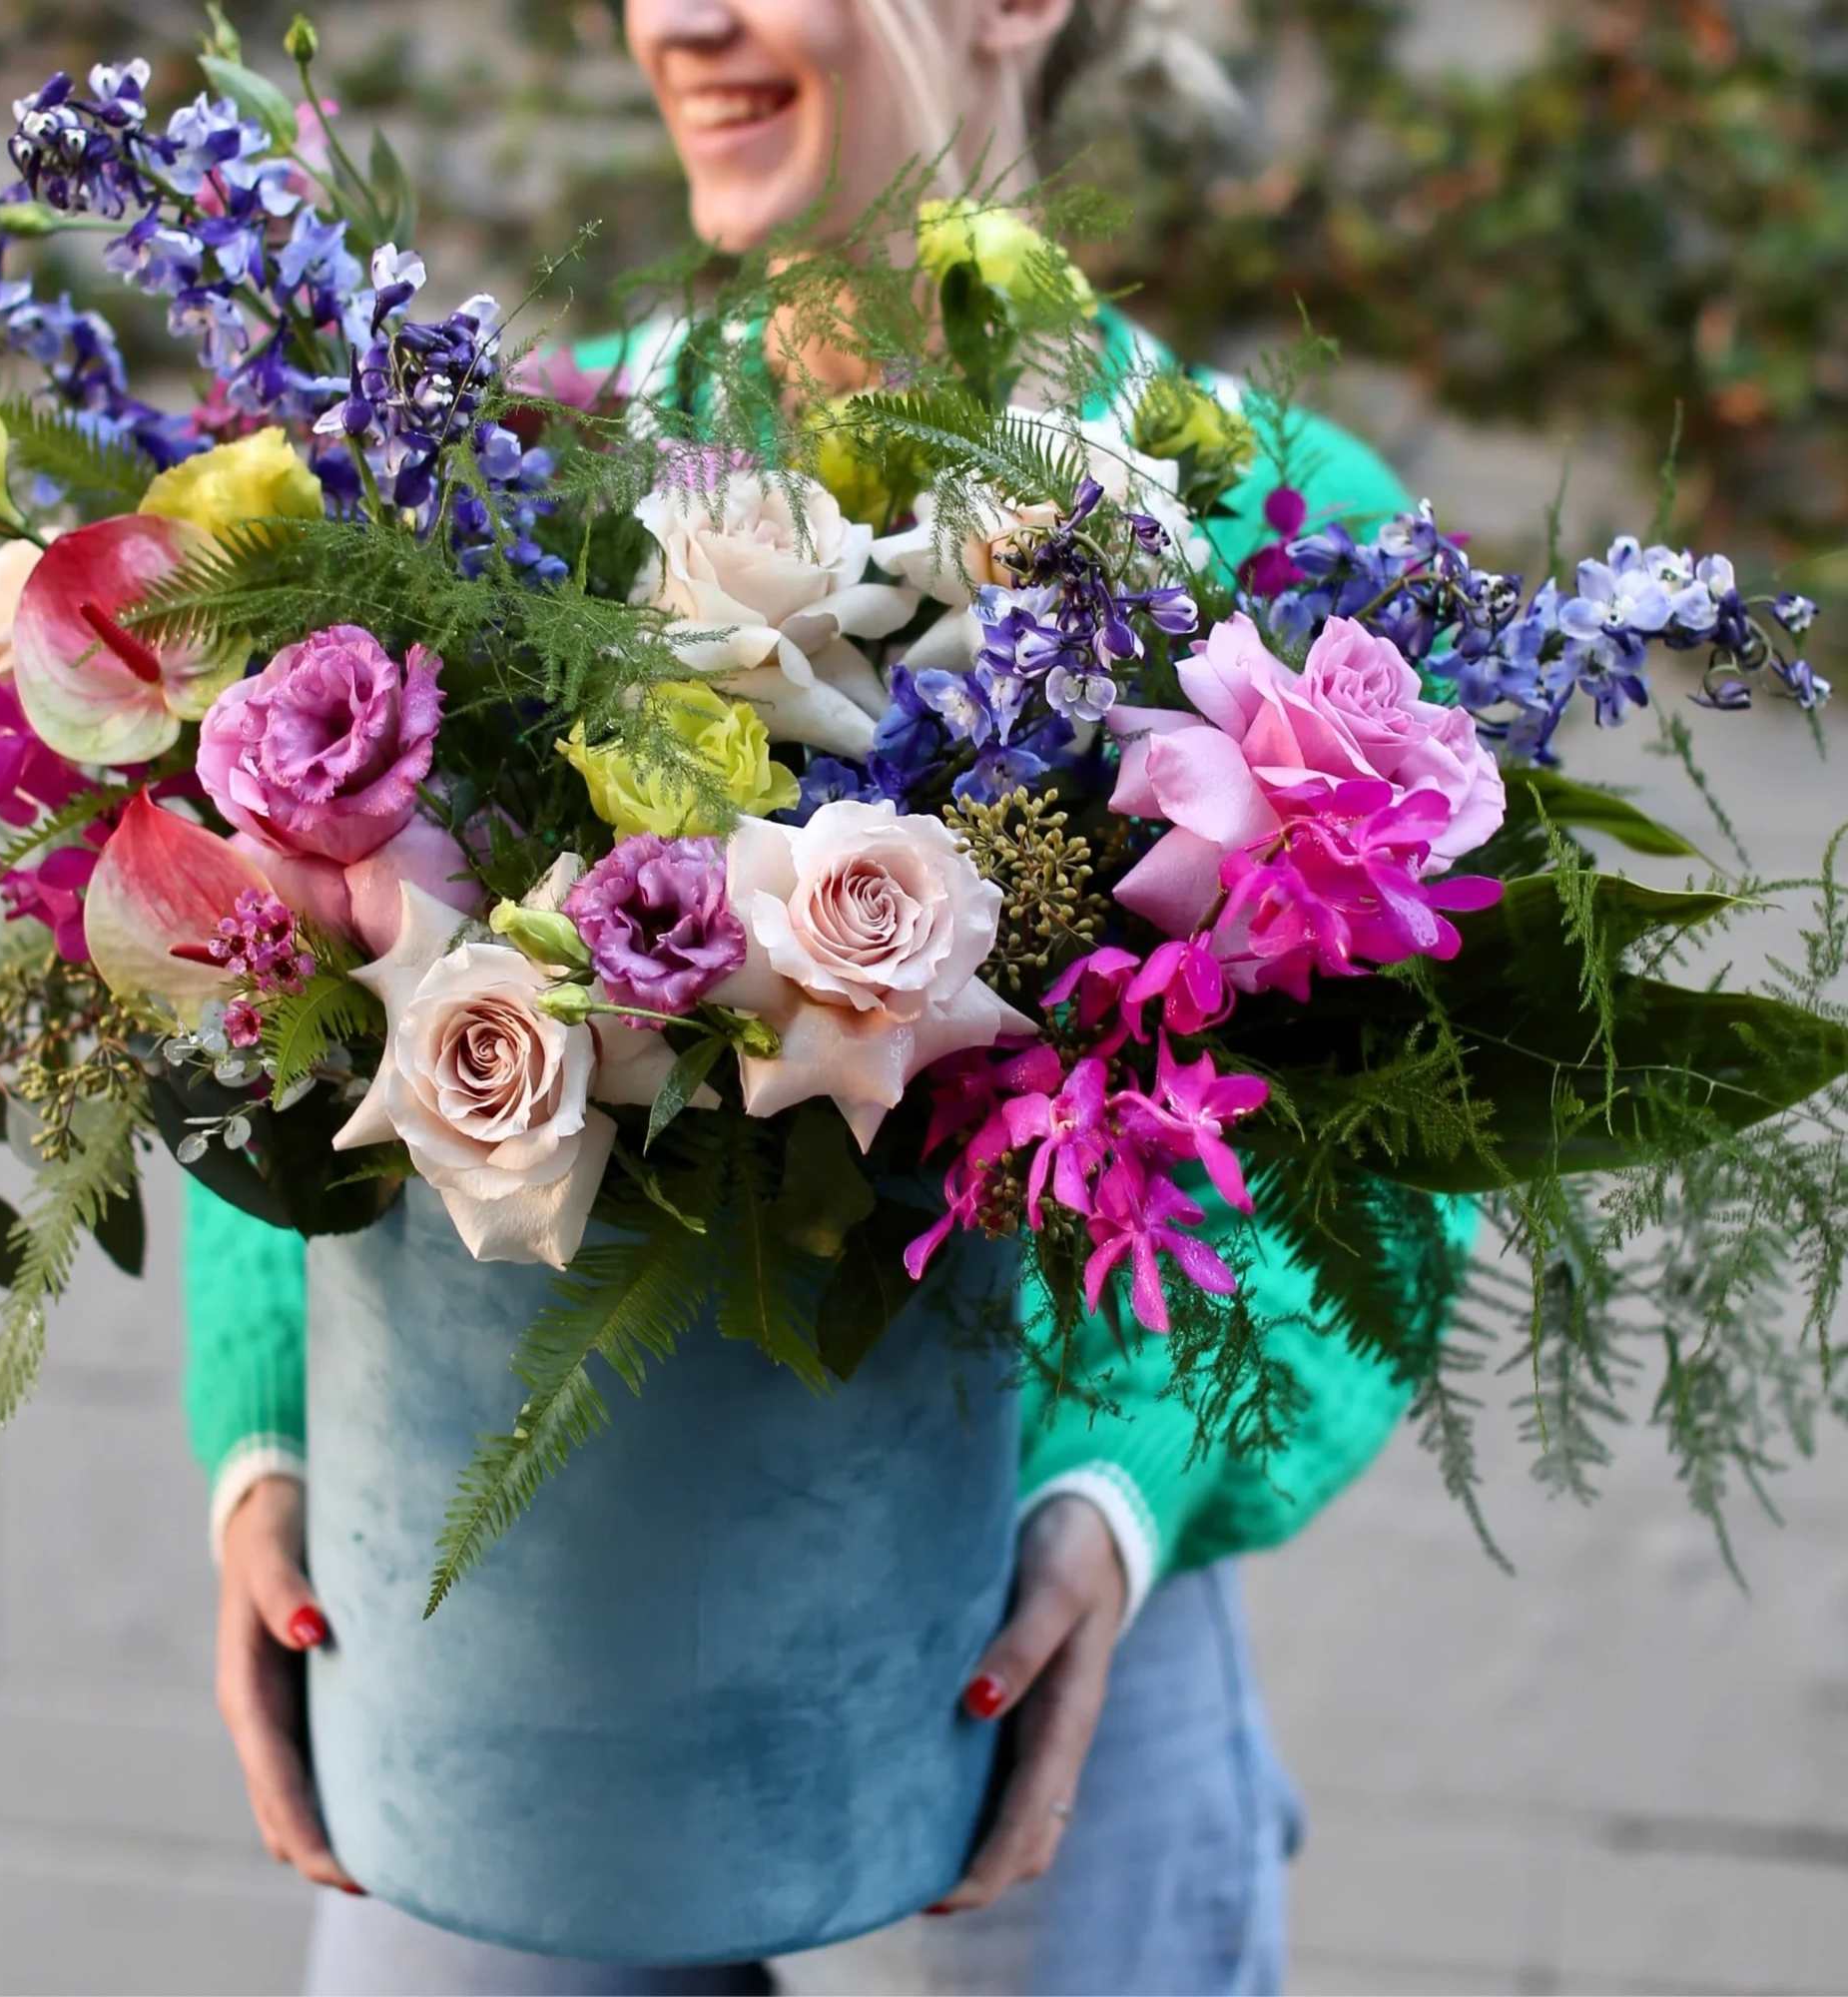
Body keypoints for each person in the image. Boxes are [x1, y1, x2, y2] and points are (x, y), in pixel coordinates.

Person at [189, 3, 1446, 1990]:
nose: (679, 18)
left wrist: (1114, 1499)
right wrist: (268, 1454)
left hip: (1017, 1679)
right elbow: (296, 984)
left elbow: (1381, 1157)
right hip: (510, 1655)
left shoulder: (1270, 519)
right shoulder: (523, 475)